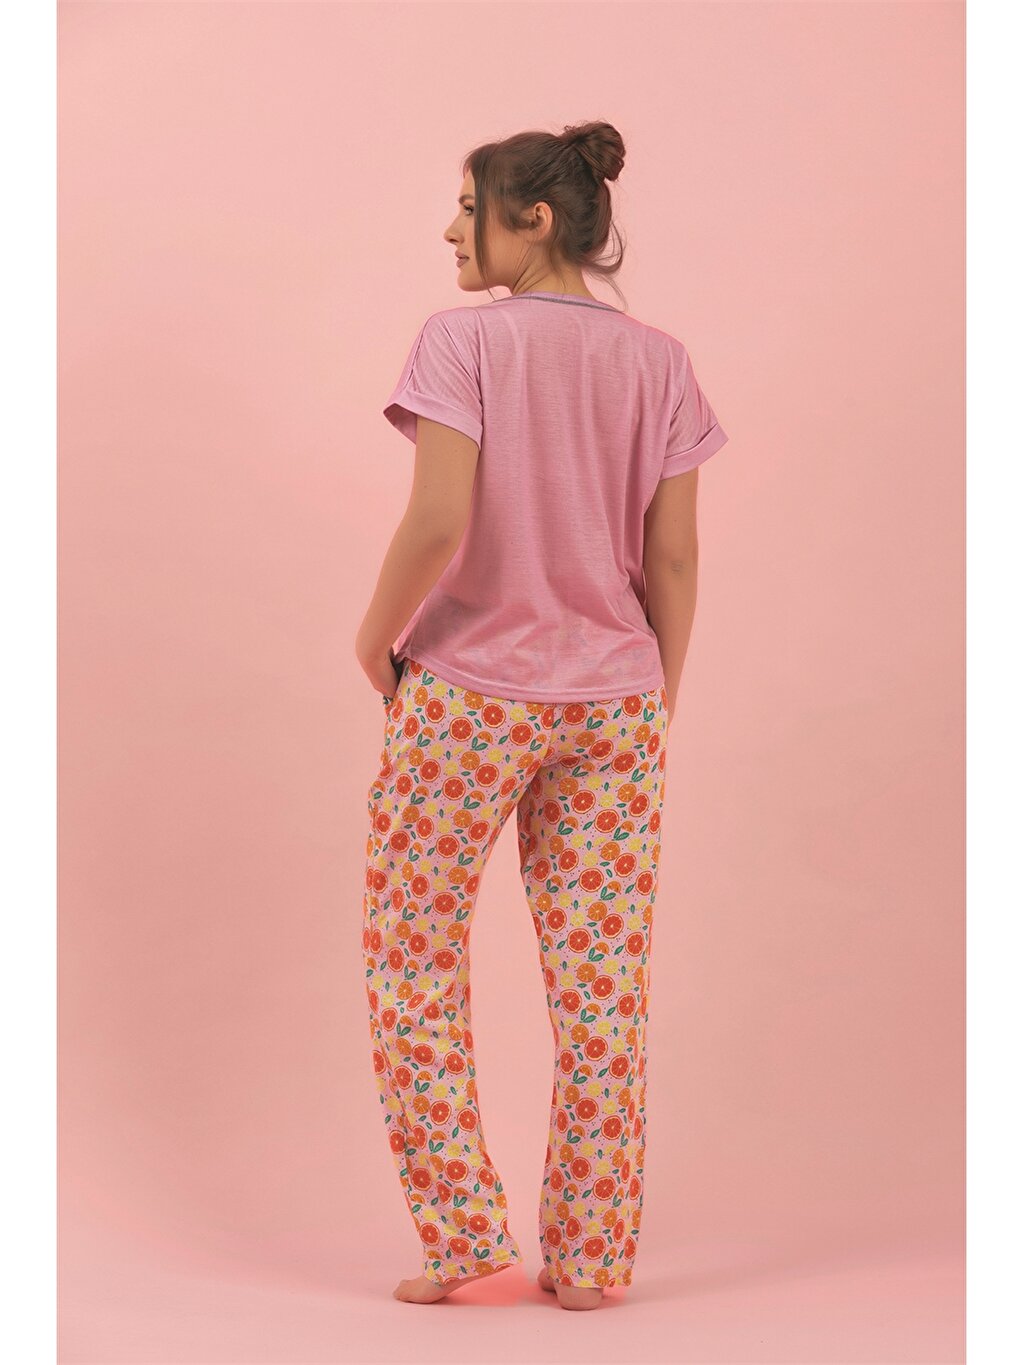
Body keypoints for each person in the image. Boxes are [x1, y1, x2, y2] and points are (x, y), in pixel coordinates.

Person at [355, 120, 729, 1310]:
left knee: (412, 954)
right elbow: (674, 560)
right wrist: (653, 693)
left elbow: (437, 521)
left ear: (536, 220)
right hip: (615, 703)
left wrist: (374, 641)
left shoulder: (463, 342)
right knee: (603, 984)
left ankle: (464, 1234)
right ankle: (590, 1258)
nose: (450, 231)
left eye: (469, 208)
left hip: (467, 692)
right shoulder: (661, 363)